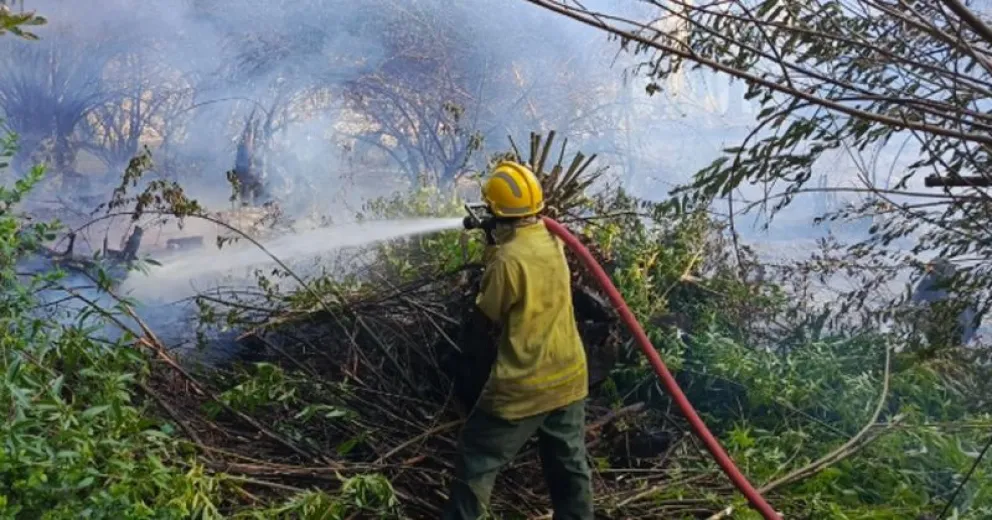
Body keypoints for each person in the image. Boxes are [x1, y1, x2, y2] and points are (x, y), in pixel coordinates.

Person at [442, 161, 593, 520]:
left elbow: (485, 316)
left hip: (523, 384)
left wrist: (491, 250)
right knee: (568, 463)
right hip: (569, 374)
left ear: (496, 213)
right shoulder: (554, 237)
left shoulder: (507, 260)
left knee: (477, 456)